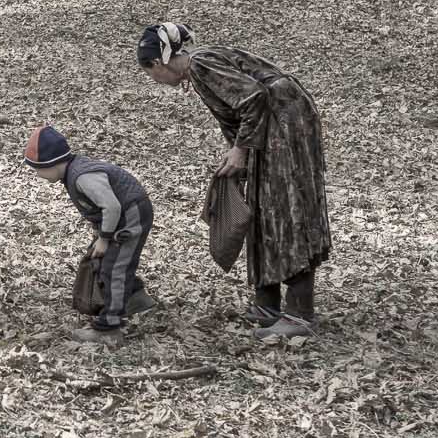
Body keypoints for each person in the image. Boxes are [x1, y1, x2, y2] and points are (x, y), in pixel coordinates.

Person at [135, 22, 331, 340]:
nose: (155, 81)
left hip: (284, 125)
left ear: (158, 63)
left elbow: (254, 99)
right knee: (260, 205)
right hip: (274, 128)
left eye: (150, 73)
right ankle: (267, 304)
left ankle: (300, 314)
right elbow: (242, 109)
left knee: (282, 210)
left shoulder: (200, 63)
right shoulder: (201, 66)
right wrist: (239, 153)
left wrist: (240, 151)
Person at [23, 125, 157, 345]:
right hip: (120, 218)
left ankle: (109, 329)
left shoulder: (83, 177)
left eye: (38, 169)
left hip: (130, 216)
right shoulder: (73, 172)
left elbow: (112, 206)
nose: (37, 175)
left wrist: (104, 238)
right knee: (106, 261)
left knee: (115, 268)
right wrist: (100, 234)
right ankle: (136, 299)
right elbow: (99, 208)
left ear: (52, 163)